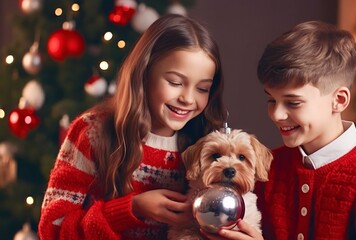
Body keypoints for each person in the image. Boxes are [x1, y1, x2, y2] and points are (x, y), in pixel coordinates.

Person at [205, 20, 356, 239]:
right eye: (271, 100)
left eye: (293, 103)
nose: (276, 114)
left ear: (338, 100)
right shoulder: (266, 169)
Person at [38, 14, 226, 240]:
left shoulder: (207, 144)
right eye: (175, 83)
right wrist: (131, 208)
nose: (188, 98)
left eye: (202, 88)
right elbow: (53, 229)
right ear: (144, 75)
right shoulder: (92, 133)